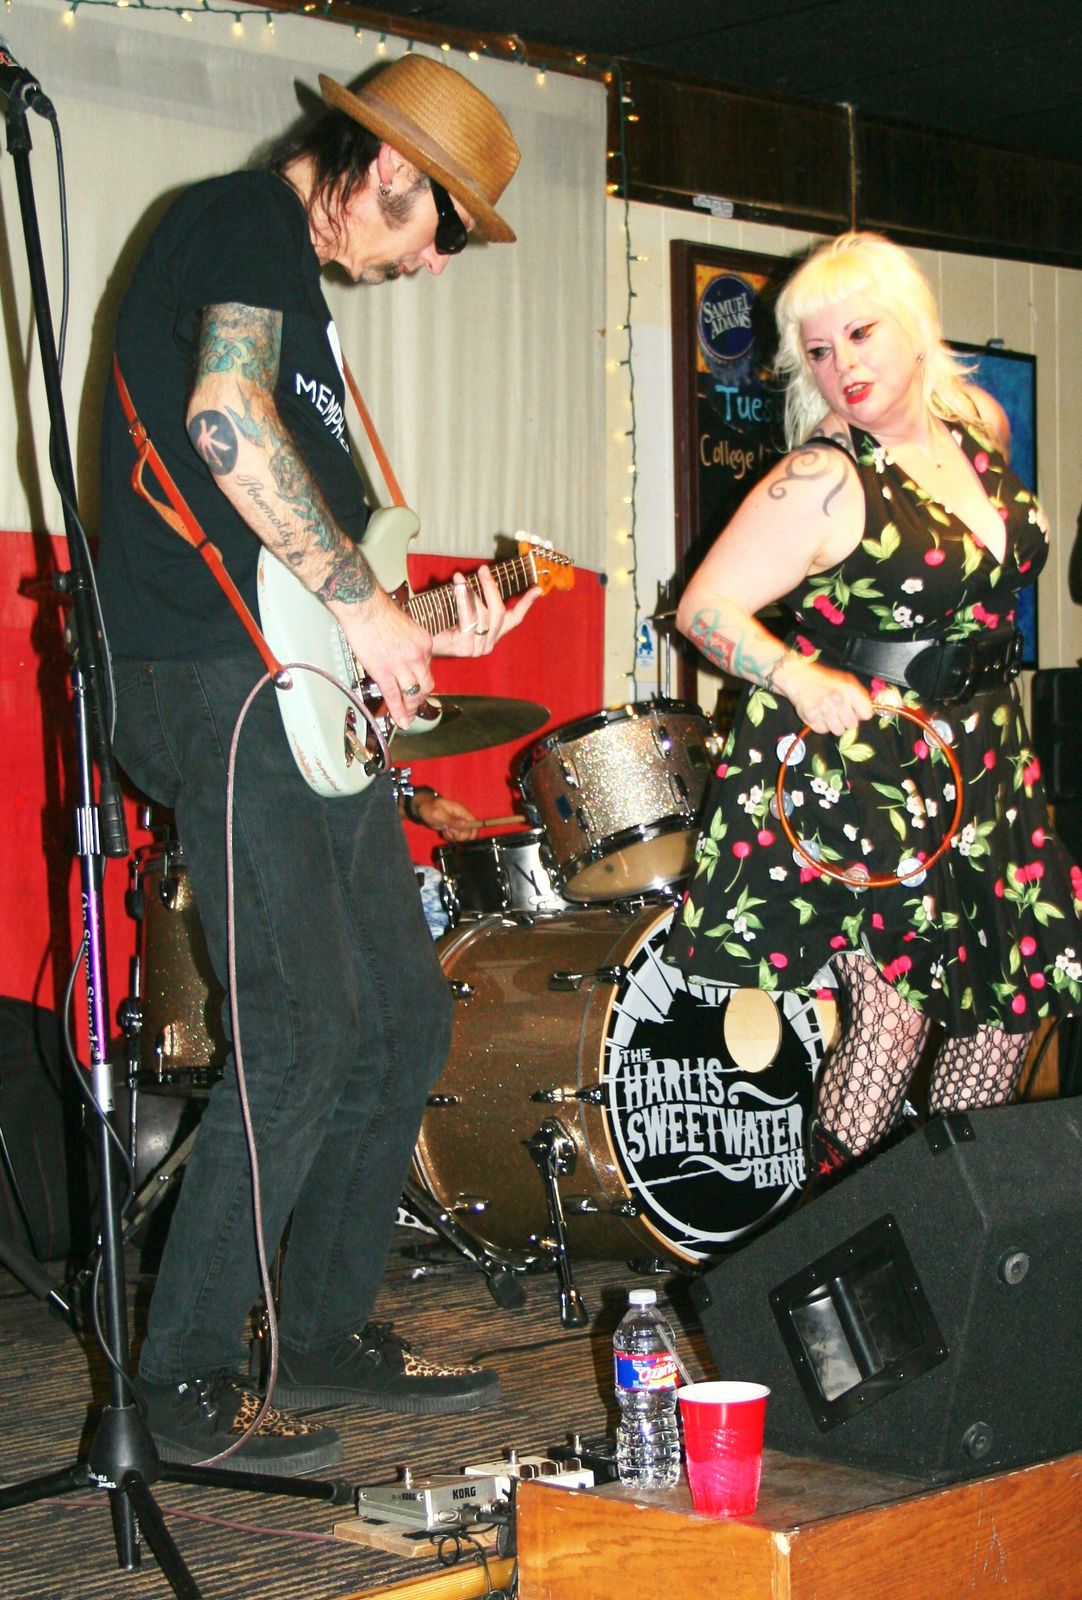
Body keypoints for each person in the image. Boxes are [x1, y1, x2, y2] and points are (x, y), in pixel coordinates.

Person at [95, 57, 535, 1474]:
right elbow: (224, 423)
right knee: (296, 1032)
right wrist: (362, 604)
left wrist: (422, 620)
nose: (422, 264)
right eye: (429, 232)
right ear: (389, 169)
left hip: (290, 684)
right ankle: (182, 1372)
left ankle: (326, 1327)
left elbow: (313, 555)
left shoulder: (302, 303)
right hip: (209, 677)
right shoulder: (241, 222)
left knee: (396, 1016)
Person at [664, 232, 1082, 1175]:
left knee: (1009, 1004)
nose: (844, 366)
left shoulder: (978, 424)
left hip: (984, 748)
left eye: (861, 334)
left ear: (914, 326)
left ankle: (944, 1223)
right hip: (869, 759)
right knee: (892, 1019)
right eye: (820, 352)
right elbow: (703, 609)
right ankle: (826, 1241)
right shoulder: (825, 475)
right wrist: (795, 675)